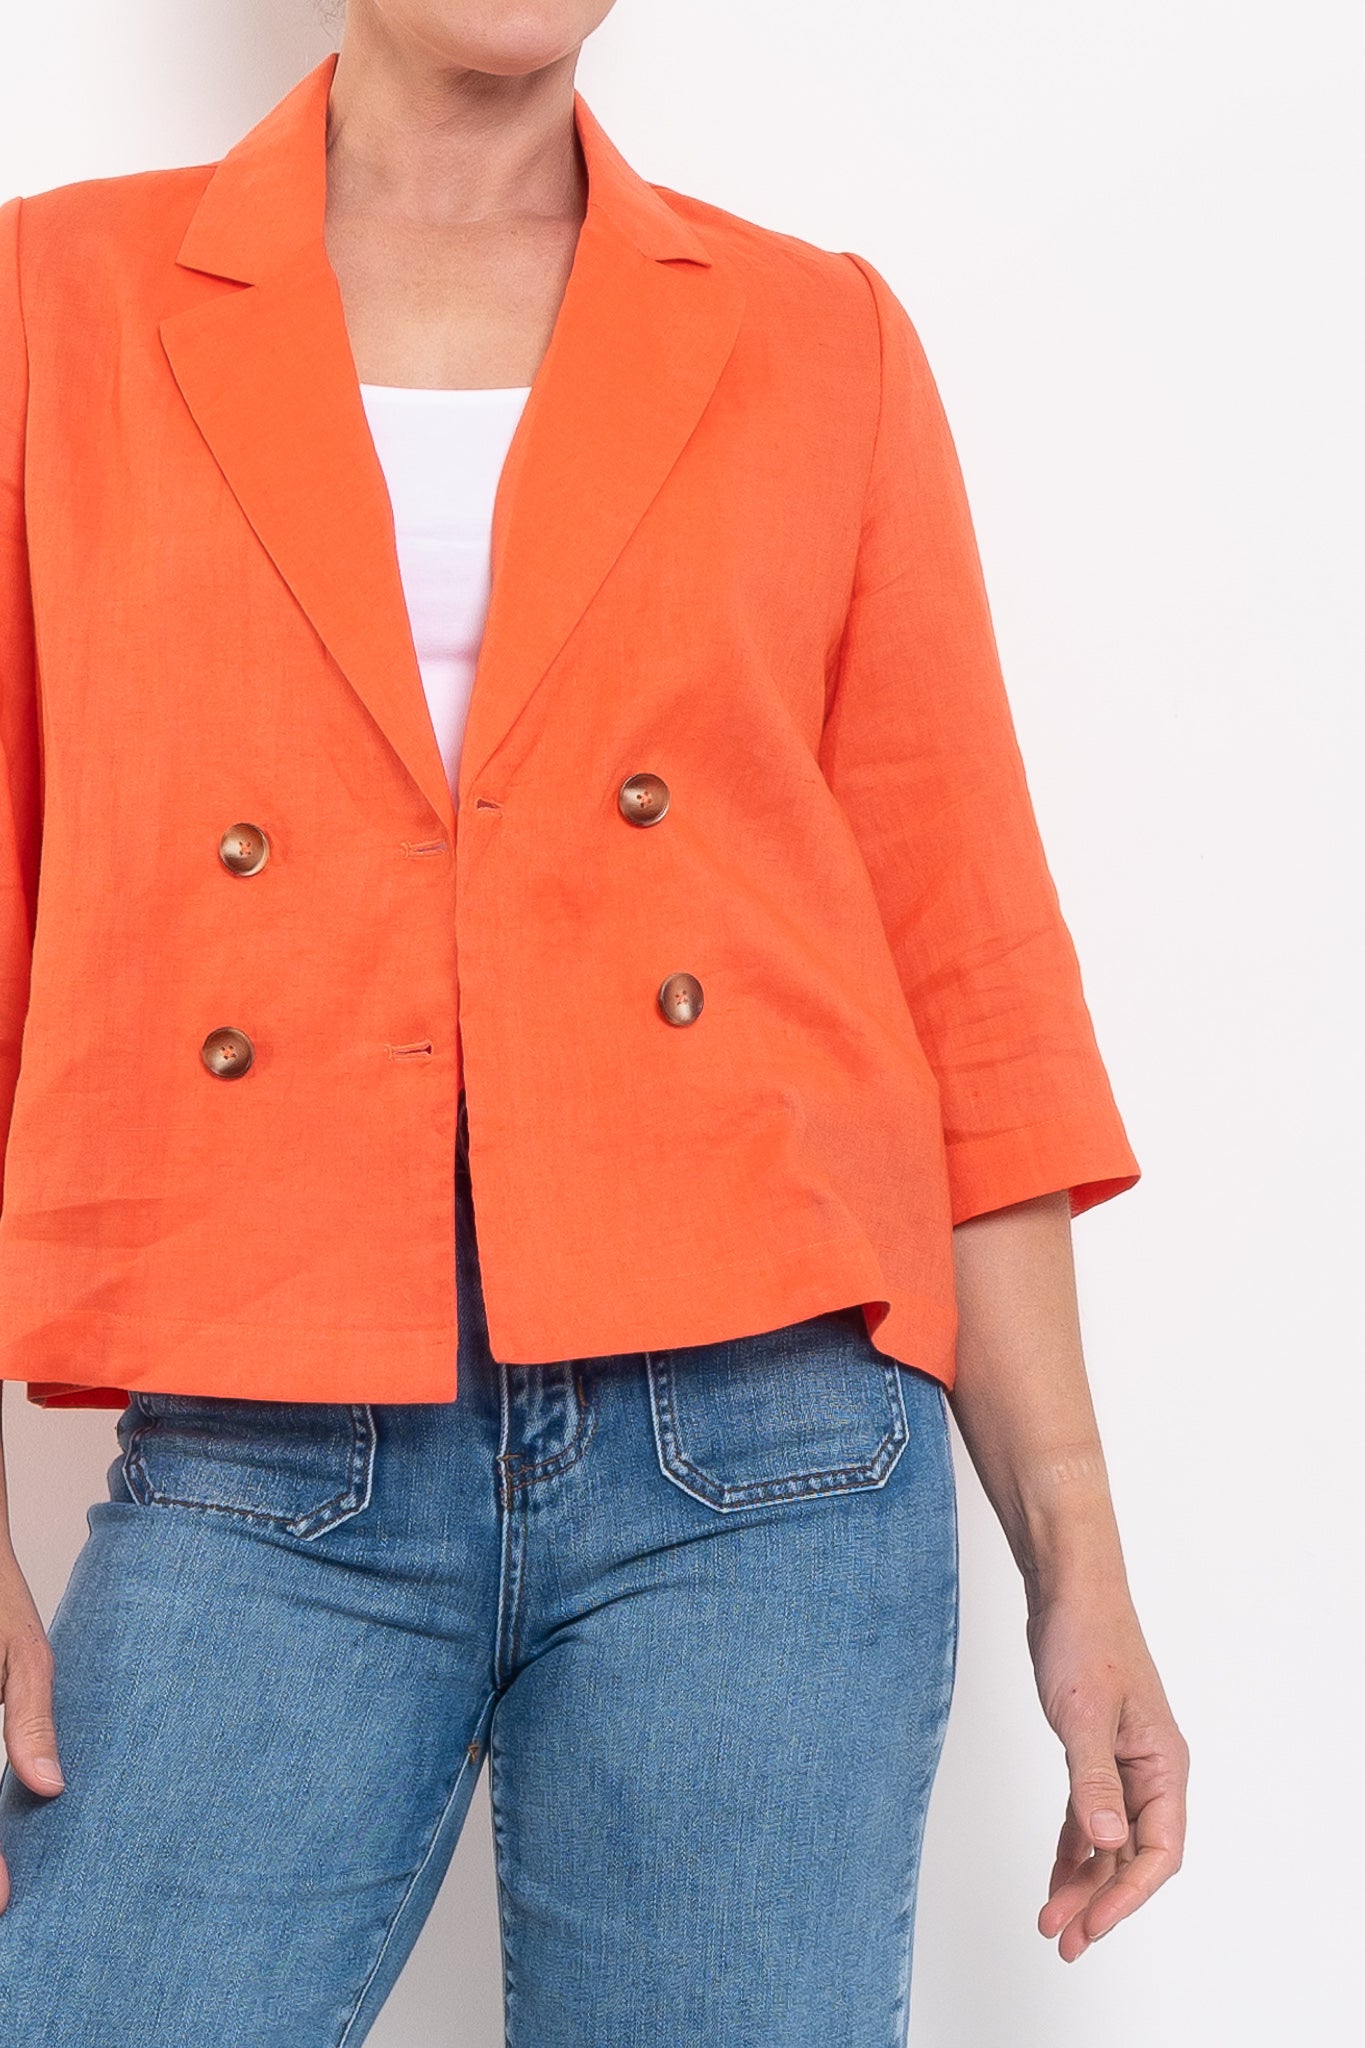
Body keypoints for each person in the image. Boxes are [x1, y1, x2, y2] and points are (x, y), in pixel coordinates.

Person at [0, 4, 1188, 2041]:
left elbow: (962, 981)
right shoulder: (53, 305)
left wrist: (1077, 1559)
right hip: (265, 1435)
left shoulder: (814, 337)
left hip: (768, 1452)